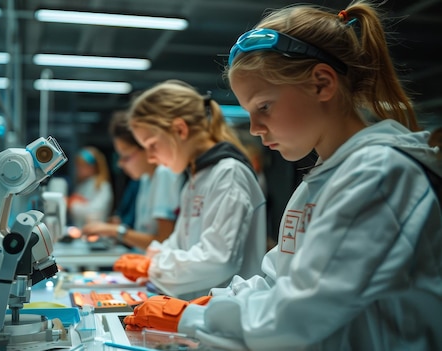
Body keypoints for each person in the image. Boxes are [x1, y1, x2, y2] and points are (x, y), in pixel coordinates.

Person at [122, 2, 442, 350]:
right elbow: (276, 279)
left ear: (322, 84)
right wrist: (212, 303)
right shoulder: (321, 179)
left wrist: (191, 317)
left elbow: (300, 314)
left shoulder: (380, 174)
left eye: (264, 107)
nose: (255, 129)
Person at [114, 80, 267, 300]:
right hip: (198, 310)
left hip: (226, 313)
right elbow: (179, 244)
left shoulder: (229, 173)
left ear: (179, 129)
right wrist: (152, 257)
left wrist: (153, 267)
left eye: (152, 145)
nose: (150, 158)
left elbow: (218, 260)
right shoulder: (194, 179)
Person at [82, 111, 182, 251]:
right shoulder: (146, 179)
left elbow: (163, 241)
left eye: (126, 156)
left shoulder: (164, 173)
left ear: (146, 148)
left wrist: (115, 231)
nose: (120, 164)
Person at [67, 146, 114, 228]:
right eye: (78, 165)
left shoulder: (102, 186)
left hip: (98, 233)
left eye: (82, 165)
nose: (78, 169)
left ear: (93, 166)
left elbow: (96, 212)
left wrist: (72, 204)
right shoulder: (82, 185)